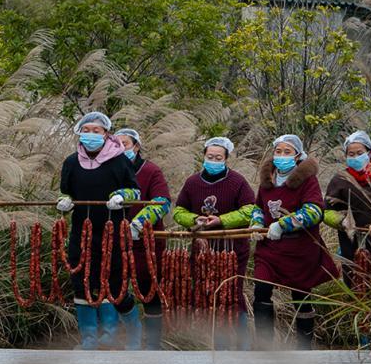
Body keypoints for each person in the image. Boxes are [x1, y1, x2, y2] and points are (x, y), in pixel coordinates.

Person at [58, 112, 142, 350]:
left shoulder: (120, 160)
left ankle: (133, 333)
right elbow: (65, 191)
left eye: (97, 131)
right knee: (81, 281)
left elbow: (135, 192)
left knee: (115, 285)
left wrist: (121, 196)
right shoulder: (71, 163)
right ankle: (89, 339)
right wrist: (64, 201)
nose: (91, 135)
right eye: (87, 130)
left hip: (112, 231)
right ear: (79, 133)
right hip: (81, 232)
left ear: (106, 134)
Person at [249, 134, 339, 349]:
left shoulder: (307, 181)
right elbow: (258, 207)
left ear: (297, 156)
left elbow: (314, 211)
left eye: (287, 152)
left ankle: (304, 348)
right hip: (270, 248)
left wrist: (283, 224)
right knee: (261, 288)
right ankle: (265, 346)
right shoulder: (267, 180)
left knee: (301, 296)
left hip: (300, 249)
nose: (281, 156)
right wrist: (256, 223)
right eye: (278, 151)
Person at [173, 136, 256, 349]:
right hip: (202, 249)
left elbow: (250, 210)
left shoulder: (237, 182)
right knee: (206, 293)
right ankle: (217, 345)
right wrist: (194, 220)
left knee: (232, 294)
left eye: (218, 157)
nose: (214, 160)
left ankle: (242, 345)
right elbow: (179, 211)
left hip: (233, 250)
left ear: (226, 159)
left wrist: (222, 220)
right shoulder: (192, 182)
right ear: (203, 156)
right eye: (210, 156)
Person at [113, 127, 172, 350]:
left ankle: (154, 343)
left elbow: (162, 201)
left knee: (148, 289)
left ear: (136, 147)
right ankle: (132, 333)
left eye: (125, 144)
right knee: (114, 287)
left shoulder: (151, 171)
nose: (121, 149)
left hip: (147, 241)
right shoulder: (109, 169)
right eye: (116, 144)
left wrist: (139, 222)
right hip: (115, 240)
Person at [322, 131, 371, 288]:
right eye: (351, 154)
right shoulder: (340, 179)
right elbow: (326, 211)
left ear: (369, 152)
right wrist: (342, 221)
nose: (355, 157)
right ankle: (355, 309)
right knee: (354, 279)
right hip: (352, 241)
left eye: (359, 153)